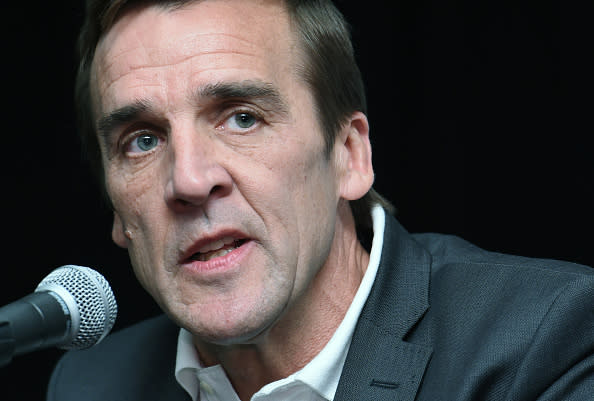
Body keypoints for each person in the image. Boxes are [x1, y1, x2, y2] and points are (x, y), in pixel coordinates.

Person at [47, 0, 594, 400]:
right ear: (118, 211)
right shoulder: (92, 384)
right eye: (142, 141)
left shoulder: (543, 345)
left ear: (349, 155)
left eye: (242, 117)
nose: (189, 181)